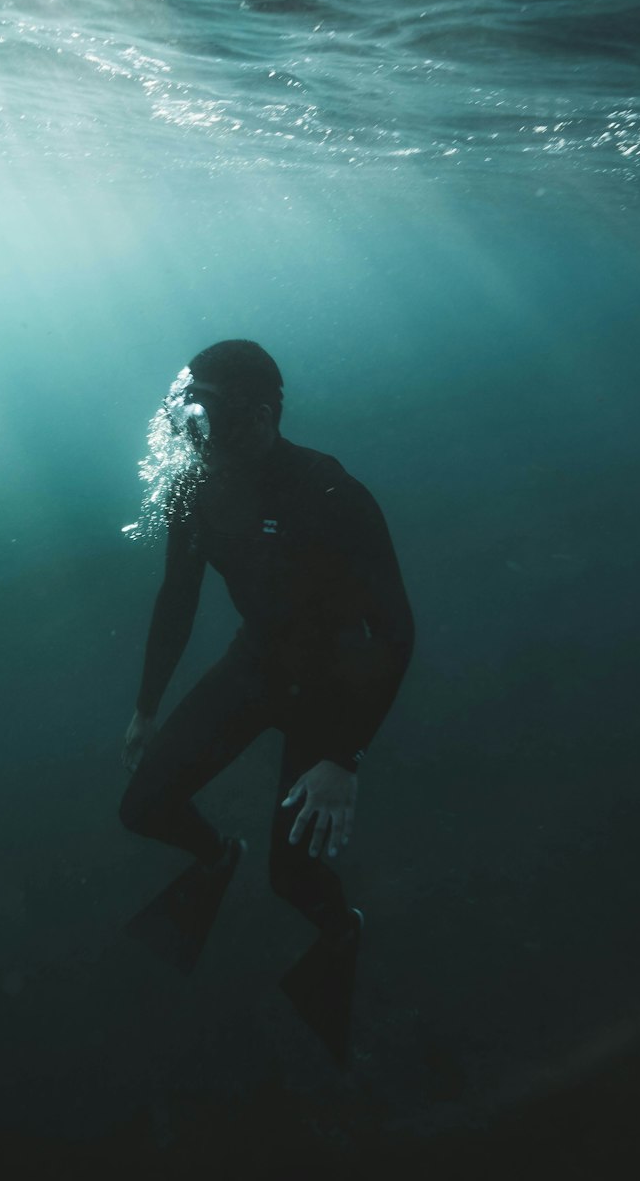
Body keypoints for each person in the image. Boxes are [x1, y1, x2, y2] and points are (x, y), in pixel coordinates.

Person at [118, 340, 414, 1047]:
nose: (191, 431)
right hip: (256, 665)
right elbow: (178, 597)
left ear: (259, 416)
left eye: (208, 414)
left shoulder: (331, 494)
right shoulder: (197, 486)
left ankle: (342, 931)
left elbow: (396, 633)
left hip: (329, 690)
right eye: (185, 410)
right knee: (144, 807)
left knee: (293, 879)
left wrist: (343, 758)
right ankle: (219, 857)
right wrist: (146, 706)